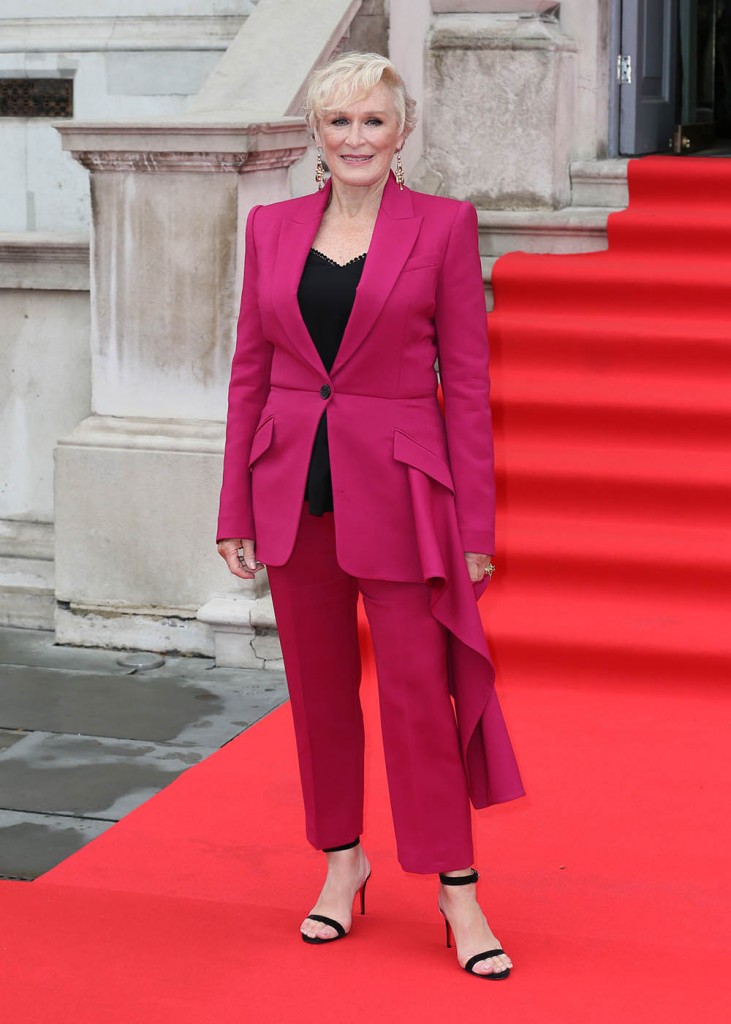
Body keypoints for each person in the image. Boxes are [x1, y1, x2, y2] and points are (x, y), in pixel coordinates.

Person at [217, 52, 524, 979]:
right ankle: (341, 865)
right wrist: (233, 502)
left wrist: (475, 530)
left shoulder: (441, 225)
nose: (355, 138)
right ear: (317, 134)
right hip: (292, 492)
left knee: (415, 702)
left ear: (403, 131)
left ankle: (455, 889)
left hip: (399, 495)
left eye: (372, 122)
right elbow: (250, 375)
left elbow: (465, 387)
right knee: (317, 699)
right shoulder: (270, 229)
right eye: (338, 122)